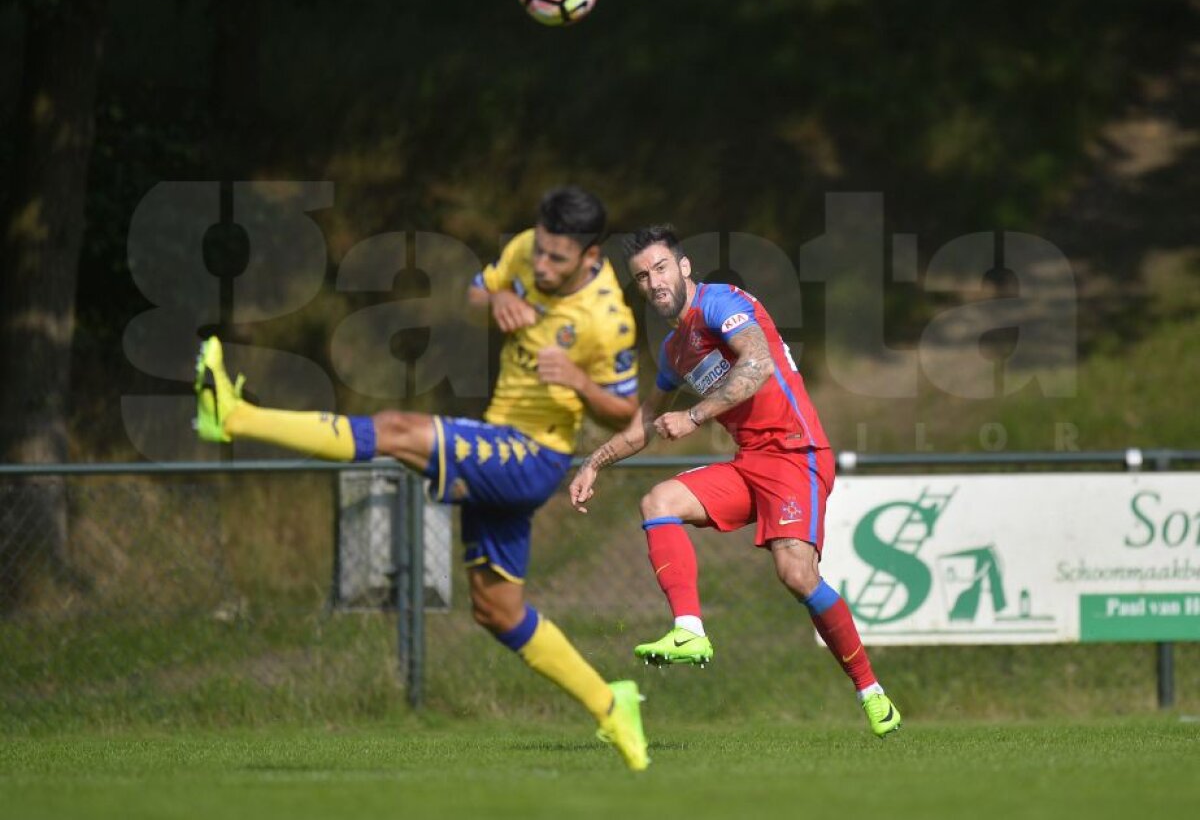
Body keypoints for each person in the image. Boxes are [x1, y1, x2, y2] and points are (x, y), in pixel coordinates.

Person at [193, 186, 650, 769]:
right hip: (498, 439)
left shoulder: (606, 320)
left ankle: (232, 416)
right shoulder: (524, 254)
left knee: (398, 428)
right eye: (539, 250)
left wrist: (581, 385)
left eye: (557, 259)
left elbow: (628, 414)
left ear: (591, 257)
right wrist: (502, 298)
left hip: (533, 456)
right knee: (497, 612)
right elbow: (474, 294)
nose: (541, 265)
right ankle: (612, 705)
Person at [568, 224, 902, 738]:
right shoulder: (676, 350)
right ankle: (689, 631)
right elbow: (645, 423)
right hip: (752, 462)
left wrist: (696, 417)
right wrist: (594, 462)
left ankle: (872, 692)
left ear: (683, 267)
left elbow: (759, 363)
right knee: (658, 500)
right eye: (642, 276)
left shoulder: (721, 302)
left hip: (797, 454)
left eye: (660, 268)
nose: (654, 282)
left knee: (795, 574)